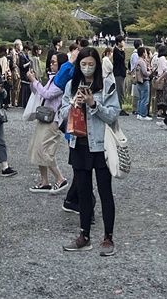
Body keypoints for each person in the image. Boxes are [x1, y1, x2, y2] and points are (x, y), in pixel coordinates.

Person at [58, 47, 120, 256]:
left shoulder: (108, 85)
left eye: (91, 64)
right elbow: (61, 114)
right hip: (79, 144)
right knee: (84, 193)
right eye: (83, 64)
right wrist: (74, 104)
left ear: (97, 64)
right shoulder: (71, 85)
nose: (86, 68)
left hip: (101, 146)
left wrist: (94, 104)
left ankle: (108, 237)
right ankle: (84, 236)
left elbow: (113, 114)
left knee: (105, 192)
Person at [26, 53, 69, 193]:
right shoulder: (53, 78)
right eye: (51, 62)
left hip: (54, 120)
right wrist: (34, 82)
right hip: (45, 117)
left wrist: (35, 81)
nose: (51, 65)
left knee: (46, 151)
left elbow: (47, 94)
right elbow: (40, 92)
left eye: (54, 62)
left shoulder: (62, 81)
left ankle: (60, 178)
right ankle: (44, 181)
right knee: (37, 148)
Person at [131, 46, 151, 120]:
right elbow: (145, 73)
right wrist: (150, 72)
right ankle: (143, 114)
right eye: (145, 52)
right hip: (144, 80)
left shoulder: (137, 61)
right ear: (143, 53)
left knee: (140, 98)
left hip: (138, 81)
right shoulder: (142, 62)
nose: (146, 54)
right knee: (145, 99)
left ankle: (139, 113)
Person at [112, 39, 130, 115]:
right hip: (118, 73)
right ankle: (119, 108)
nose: (124, 43)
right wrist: (122, 51)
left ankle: (120, 107)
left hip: (121, 73)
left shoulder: (118, 51)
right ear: (119, 42)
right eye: (122, 41)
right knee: (119, 91)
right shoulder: (116, 51)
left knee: (121, 91)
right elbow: (121, 59)